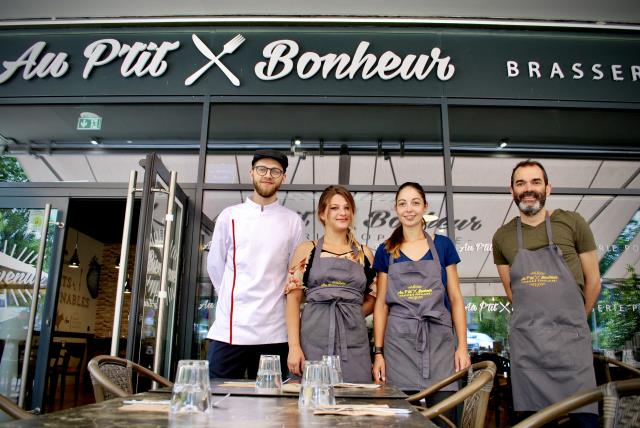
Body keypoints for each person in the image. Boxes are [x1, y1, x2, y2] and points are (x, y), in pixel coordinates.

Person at [492, 160, 600, 427]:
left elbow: (594, 281)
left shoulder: (573, 223)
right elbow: (512, 292)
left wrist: (575, 319)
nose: (528, 189)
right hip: (530, 351)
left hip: (572, 349)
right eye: (521, 183)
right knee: (536, 422)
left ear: (548, 188)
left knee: (584, 420)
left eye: (535, 182)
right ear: (512, 191)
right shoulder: (502, 237)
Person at [206, 149, 304, 379]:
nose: (268, 175)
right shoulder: (229, 215)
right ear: (251, 173)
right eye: (262, 169)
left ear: (283, 177)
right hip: (230, 330)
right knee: (219, 401)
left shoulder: (292, 221)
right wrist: (232, 296)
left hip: (274, 332)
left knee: (274, 408)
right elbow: (215, 267)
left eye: (275, 171)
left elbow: (294, 276)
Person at [372, 182, 470, 398]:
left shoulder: (443, 245)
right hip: (398, 346)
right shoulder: (386, 249)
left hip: (440, 345)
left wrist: (462, 346)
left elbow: (455, 298)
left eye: (415, 203)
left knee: (445, 416)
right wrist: (378, 353)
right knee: (401, 419)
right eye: (403, 204)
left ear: (425, 206)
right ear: (396, 208)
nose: (409, 209)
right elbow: (381, 304)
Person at [285, 185, 376, 383]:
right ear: (322, 214)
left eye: (347, 208)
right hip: (312, 340)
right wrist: (294, 346)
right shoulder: (307, 250)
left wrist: (351, 313)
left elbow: (374, 299)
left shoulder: (364, 253)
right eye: (334, 208)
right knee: (310, 403)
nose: (342, 213)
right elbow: (292, 300)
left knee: (355, 404)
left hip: (354, 342)